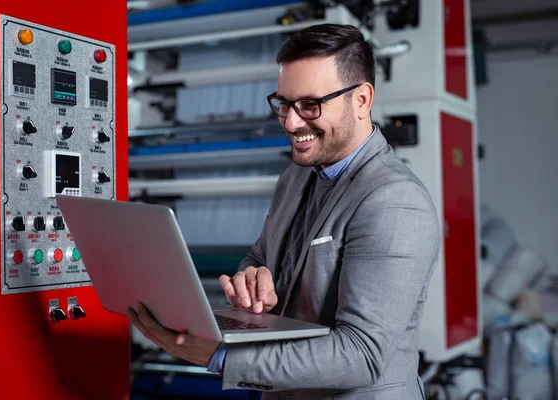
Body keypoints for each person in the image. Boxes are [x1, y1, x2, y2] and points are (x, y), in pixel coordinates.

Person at [128, 23, 440, 399]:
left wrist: (221, 357)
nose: (292, 122)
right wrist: (252, 279)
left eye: (311, 105)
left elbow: (362, 354)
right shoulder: (296, 176)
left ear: (361, 100)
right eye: (284, 103)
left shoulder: (394, 200)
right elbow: (261, 257)